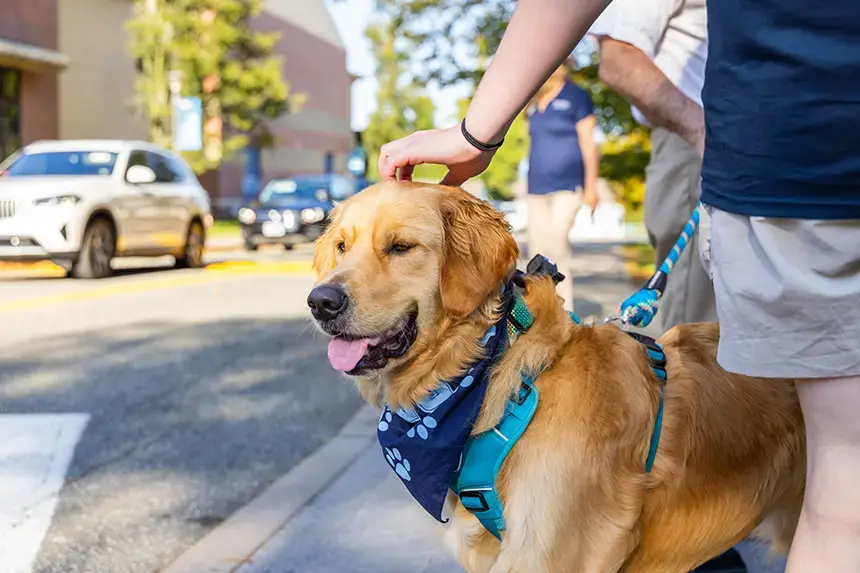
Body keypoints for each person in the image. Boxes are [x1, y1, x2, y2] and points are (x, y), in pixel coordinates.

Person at [378, 1, 860, 571]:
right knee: (842, 479)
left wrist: (476, 132)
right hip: (802, 161)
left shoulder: (574, 101)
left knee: (838, 486)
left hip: (795, 157)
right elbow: (618, 58)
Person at [590, 0, 716, 331]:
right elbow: (617, 58)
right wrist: (701, 129)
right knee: (698, 344)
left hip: (773, 149)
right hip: (697, 146)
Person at [525, 58, 599, 311]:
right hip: (536, 186)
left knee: (556, 248)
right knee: (536, 250)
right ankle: (537, 311)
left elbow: (589, 143)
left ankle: (563, 312)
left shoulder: (576, 97)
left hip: (567, 185)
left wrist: (591, 186)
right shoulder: (534, 103)